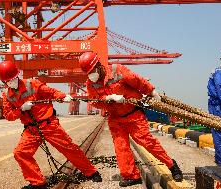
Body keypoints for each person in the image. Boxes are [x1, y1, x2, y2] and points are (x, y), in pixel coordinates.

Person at [78, 52, 183, 187]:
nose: (91, 75)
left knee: (147, 142)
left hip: (133, 114)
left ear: (98, 65)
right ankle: (131, 176)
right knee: (121, 147)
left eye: (92, 71)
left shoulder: (117, 70)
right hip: (115, 118)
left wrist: (151, 91)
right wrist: (107, 98)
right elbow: (94, 101)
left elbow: (137, 80)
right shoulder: (91, 83)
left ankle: (172, 166)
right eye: (88, 73)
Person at [0, 61, 102, 189]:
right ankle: (38, 183)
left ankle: (91, 172)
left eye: (13, 79)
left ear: (17, 75)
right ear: (4, 82)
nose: (12, 82)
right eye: (9, 81)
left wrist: (63, 96)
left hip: (49, 125)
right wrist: (21, 109)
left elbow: (51, 92)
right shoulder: (7, 96)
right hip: (31, 129)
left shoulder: (32, 84)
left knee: (69, 149)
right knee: (20, 153)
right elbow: (8, 115)